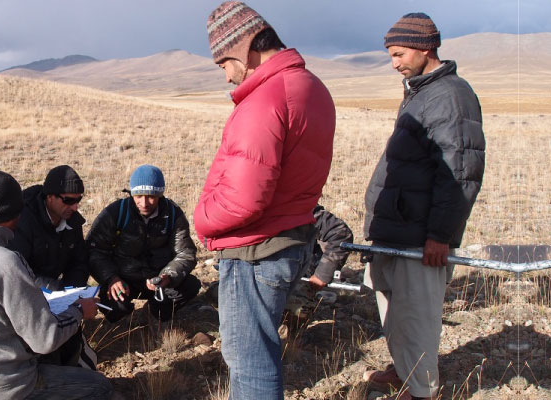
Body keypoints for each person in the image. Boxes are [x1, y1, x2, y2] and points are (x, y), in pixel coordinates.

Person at [196, 3, 336, 399]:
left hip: (255, 250)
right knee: (255, 353)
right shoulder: (311, 87)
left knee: (250, 359)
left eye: (224, 61)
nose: (225, 73)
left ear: (243, 50)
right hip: (289, 238)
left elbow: (244, 200)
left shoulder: (264, 100)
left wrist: (202, 219)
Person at [362, 13, 484, 400]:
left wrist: (439, 235)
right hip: (397, 227)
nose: (394, 63)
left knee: (416, 315)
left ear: (426, 48)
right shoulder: (421, 91)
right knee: (396, 312)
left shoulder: (450, 95)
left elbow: (460, 172)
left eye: (399, 54)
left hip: (419, 235)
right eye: (391, 55)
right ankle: (404, 372)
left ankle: (421, 391)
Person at [0, 169, 112, 400]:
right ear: (15, 211)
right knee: (100, 386)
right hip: (5, 388)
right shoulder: (5, 262)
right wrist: (78, 310)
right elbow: (45, 339)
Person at [86, 165, 200, 323]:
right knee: (116, 309)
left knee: (190, 285)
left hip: (158, 281)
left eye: (151, 196)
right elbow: (94, 251)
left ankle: (153, 312)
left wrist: (168, 276)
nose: (144, 202)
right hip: (123, 281)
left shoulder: (173, 214)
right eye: (138, 195)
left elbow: (185, 253)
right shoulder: (116, 212)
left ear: (160, 194)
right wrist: (111, 278)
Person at [8, 165, 91, 290]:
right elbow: (16, 272)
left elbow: (79, 263)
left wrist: (72, 291)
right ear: (50, 197)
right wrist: (56, 289)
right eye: (68, 200)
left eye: (78, 200)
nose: (75, 207)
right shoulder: (23, 220)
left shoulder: (73, 221)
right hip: (23, 292)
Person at [284, 205, 354, 318]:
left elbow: (340, 234)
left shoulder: (295, 204)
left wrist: (322, 274)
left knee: (294, 312)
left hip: (296, 276)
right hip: (256, 277)